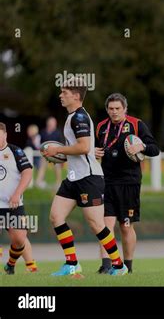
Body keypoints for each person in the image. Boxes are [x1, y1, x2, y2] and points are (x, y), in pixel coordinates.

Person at [41, 78, 128, 276]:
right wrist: (59, 155)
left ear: (76, 96)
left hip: (89, 178)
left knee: (97, 225)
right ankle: (72, 264)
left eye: (64, 92)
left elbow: (83, 147)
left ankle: (118, 265)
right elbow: (82, 149)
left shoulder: (78, 117)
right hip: (73, 178)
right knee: (56, 216)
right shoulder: (72, 116)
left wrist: (58, 149)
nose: (61, 95)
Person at [95, 93, 160, 274]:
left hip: (129, 182)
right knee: (105, 224)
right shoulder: (101, 127)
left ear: (125, 109)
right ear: (107, 109)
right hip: (106, 181)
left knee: (125, 226)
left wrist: (142, 147)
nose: (114, 112)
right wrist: (92, 152)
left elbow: (155, 149)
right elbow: (90, 149)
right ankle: (106, 265)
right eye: (111, 109)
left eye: (118, 109)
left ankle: (128, 266)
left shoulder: (136, 124)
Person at [0, 122, 33, 275]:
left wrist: (16, 193)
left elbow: (27, 173)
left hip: (13, 205)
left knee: (20, 239)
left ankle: (10, 265)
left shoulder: (16, 151)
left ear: (5, 134)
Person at [36, 117, 63, 189]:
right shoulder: (43, 132)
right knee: (42, 166)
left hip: (55, 153)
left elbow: (60, 144)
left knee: (57, 167)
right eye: (50, 122)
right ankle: (38, 182)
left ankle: (58, 182)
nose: (51, 124)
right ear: (47, 123)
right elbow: (40, 143)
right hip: (45, 153)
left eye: (53, 123)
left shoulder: (58, 132)